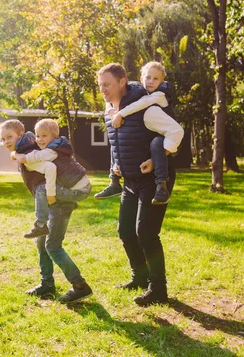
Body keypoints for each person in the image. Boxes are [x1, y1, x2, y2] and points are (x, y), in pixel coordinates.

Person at [98, 63, 183, 306]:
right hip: (130, 181)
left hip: (153, 181)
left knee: (146, 234)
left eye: (107, 84)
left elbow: (176, 132)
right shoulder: (110, 111)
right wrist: (116, 165)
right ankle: (140, 276)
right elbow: (117, 143)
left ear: (122, 81)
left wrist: (157, 160)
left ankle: (158, 289)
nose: (102, 89)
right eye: (100, 85)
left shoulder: (147, 109)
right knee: (125, 232)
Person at [0, 119, 93, 304]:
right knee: (42, 243)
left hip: (59, 204)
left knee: (53, 246)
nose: (6, 142)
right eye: (2, 139)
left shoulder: (29, 150)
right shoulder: (25, 149)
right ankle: (47, 284)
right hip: (53, 202)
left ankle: (80, 286)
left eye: (9, 137)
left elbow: (50, 166)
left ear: (21, 134)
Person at [94, 61, 175, 204]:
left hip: (157, 150)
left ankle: (161, 185)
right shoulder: (131, 96)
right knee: (117, 137)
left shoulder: (157, 96)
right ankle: (114, 181)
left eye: (156, 79)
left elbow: (141, 104)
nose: (150, 81)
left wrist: (119, 114)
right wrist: (112, 110)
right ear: (141, 77)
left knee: (157, 143)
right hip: (130, 180)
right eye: (147, 77)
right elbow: (110, 101)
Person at [11, 118, 91, 239]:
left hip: (79, 190)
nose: (39, 139)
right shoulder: (58, 146)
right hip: (80, 186)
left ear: (54, 136)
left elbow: (31, 158)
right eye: (37, 136)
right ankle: (68, 201)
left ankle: (40, 225)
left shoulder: (51, 152)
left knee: (42, 190)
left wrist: (15, 154)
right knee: (49, 187)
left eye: (44, 136)